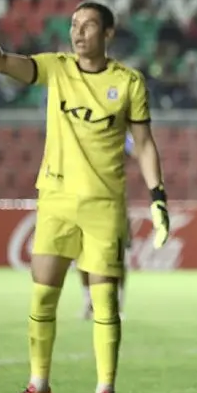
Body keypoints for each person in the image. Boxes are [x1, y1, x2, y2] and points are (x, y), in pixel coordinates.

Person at [0, 0, 171, 393]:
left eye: (87, 25)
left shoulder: (128, 82)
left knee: (105, 300)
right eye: (73, 24)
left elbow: (144, 144)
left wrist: (159, 197)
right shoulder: (56, 67)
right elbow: (0, 63)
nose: (77, 32)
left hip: (104, 204)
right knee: (42, 296)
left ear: (108, 33)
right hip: (55, 200)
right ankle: (38, 388)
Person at [79, 132, 135, 320]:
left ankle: (117, 303)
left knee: (118, 256)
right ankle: (89, 301)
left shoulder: (118, 132)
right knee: (84, 255)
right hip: (88, 201)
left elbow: (131, 150)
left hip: (114, 202)